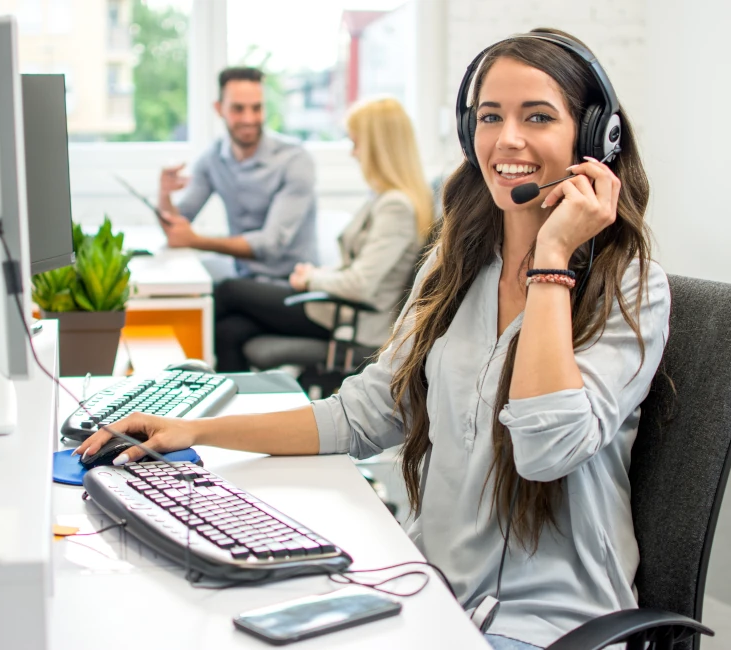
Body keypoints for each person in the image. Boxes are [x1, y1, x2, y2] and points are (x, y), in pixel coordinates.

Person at [78, 28, 671, 650]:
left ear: (596, 137)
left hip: (546, 626)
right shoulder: (458, 266)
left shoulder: (630, 289)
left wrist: (552, 259)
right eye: (491, 116)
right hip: (431, 590)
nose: (508, 139)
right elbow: (366, 414)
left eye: (539, 116)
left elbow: (546, 452)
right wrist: (197, 433)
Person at [210, 96, 434, 372]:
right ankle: (233, 412)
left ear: (377, 147)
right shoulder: (385, 198)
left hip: (351, 321)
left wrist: (312, 279)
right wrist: (320, 274)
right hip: (338, 310)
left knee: (228, 291)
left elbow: (361, 284)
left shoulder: (395, 206)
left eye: (356, 143)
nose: (353, 153)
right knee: (230, 331)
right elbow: (360, 268)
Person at [156, 67, 318, 282]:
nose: (249, 118)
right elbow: (177, 225)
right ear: (219, 108)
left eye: (257, 108)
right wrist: (165, 194)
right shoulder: (213, 159)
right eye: (238, 109)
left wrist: (195, 241)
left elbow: (271, 244)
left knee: (220, 293)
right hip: (245, 280)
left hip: (291, 285)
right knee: (188, 291)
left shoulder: (294, 160)